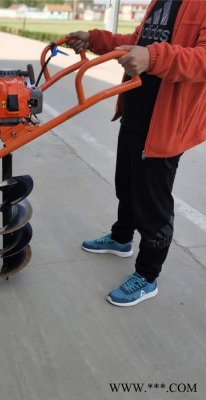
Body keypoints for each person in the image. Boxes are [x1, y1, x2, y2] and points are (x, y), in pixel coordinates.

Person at [66, 0, 206, 306]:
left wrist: (152, 57)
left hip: (164, 125)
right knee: (127, 186)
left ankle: (147, 275)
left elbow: (202, 60)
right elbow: (137, 41)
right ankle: (121, 238)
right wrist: (95, 39)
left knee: (152, 205)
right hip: (135, 113)